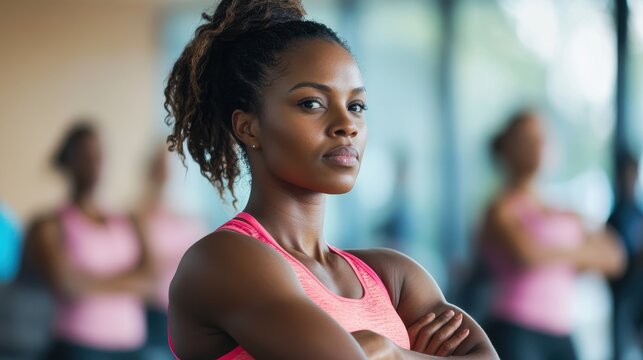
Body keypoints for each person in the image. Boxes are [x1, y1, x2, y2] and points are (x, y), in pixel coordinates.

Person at [164, 1, 498, 359]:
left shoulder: (393, 276)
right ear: (249, 127)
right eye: (312, 103)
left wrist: (387, 351)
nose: (347, 125)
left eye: (356, 106)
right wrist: (409, 352)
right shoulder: (223, 260)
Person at [480, 109, 625, 360]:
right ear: (509, 147)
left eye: (543, 136)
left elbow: (615, 257)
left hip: (561, 329)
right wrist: (579, 254)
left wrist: (556, 253)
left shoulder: (562, 210)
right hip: (516, 328)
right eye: (529, 137)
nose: (539, 144)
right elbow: (527, 255)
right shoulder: (500, 207)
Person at [27, 122, 152, 359]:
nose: (93, 163)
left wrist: (90, 282)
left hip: (132, 345)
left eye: (98, 155)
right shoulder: (49, 224)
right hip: (77, 345)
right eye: (84, 155)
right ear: (67, 162)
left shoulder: (130, 220)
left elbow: (152, 281)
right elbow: (68, 286)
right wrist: (129, 280)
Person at [136, 145, 207, 360]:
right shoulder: (137, 216)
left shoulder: (192, 222)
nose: (165, 173)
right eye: (160, 166)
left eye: (169, 167)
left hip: (183, 315)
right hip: (148, 311)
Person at [608, 151, 643, 360]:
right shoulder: (616, 216)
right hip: (624, 289)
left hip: (639, 288)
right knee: (621, 344)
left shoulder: (638, 212)